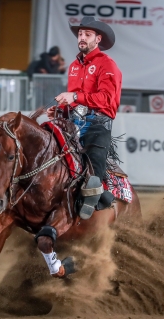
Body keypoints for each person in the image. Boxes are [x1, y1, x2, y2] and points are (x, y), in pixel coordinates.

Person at [47, 16, 122, 220]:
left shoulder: (107, 65)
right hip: (74, 122)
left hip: (98, 123)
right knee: (45, 145)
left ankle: (97, 196)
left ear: (98, 39)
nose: (82, 37)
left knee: (95, 160)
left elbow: (106, 99)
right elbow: (75, 102)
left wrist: (74, 96)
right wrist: (60, 111)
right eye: (80, 34)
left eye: (87, 34)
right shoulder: (73, 66)